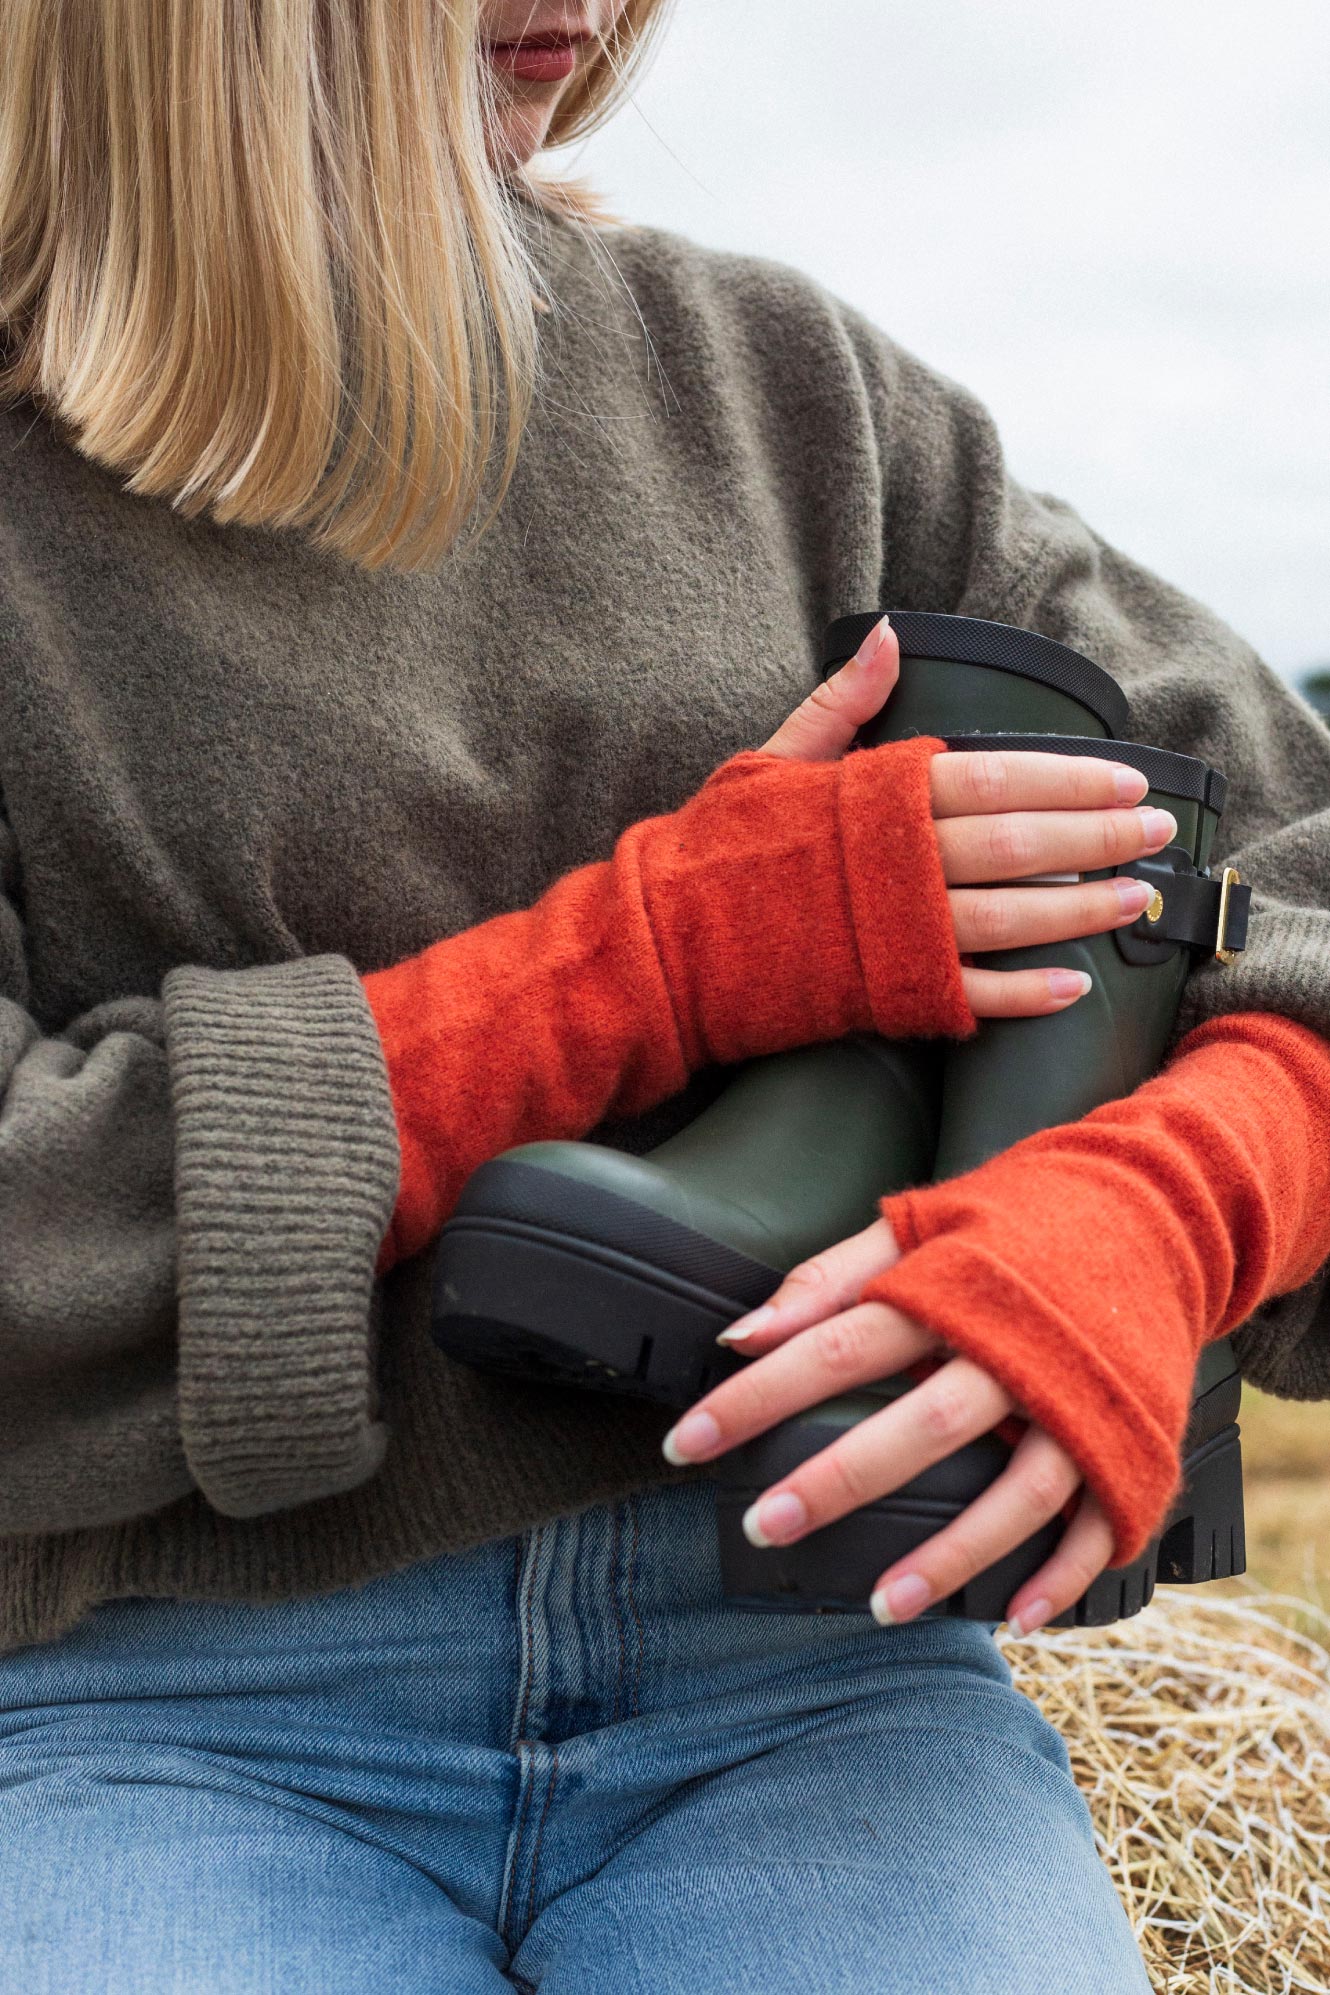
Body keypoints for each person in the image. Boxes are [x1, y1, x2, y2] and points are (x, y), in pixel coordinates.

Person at [0, 4, 1327, 1990]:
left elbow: (1290, 868)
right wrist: (648, 964)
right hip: (154, 1708)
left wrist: (1167, 1199)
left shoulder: (787, 397)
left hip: (815, 1675)